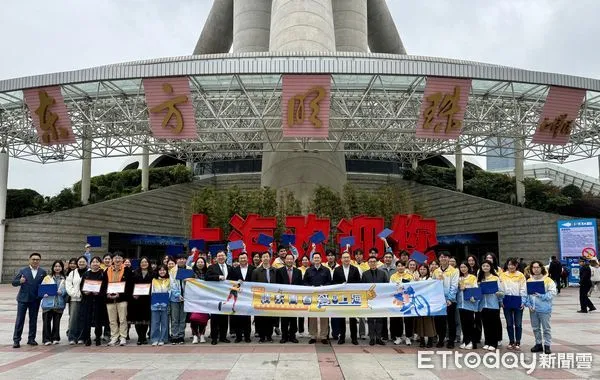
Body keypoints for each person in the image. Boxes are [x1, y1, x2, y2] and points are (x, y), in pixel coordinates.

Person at [12, 252, 47, 348]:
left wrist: (45, 293)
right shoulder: (23, 270)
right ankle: (16, 340)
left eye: (37, 259)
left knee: (33, 320)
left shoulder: (42, 272)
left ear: (40, 261)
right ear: (29, 260)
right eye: (33, 259)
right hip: (23, 299)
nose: (35, 261)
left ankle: (31, 339)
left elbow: (45, 285)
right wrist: (20, 281)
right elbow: (14, 283)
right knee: (20, 320)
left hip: (35, 300)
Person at [525, 260, 557, 354]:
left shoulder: (547, 280)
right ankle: (538, 344)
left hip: (544, 308)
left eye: (537, 267)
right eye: (534, 267)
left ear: (541, 268)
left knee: (546, 328)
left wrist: (541, 295)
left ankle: (547, 345)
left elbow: (552, 293)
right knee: (535, 328)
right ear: (531, 269)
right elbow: (525, 294)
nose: (536, 269)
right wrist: (528, 305)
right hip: (533, 309)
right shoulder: (529, 280)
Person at [102, 252, 133, 346]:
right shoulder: (107, 270)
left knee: (123, 319)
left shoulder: (127, 270)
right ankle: (114, 337)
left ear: (122, 259)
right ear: (112, 260)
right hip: (110, 299)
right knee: (112, 320)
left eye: (119, 258)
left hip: (122, 299)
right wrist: (107, 294)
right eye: (115, 258)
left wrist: (120, 294)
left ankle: (123, 337)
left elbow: (129, 286)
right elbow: (103, 285)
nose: (117, 260)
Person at [331, 251, 361, 345]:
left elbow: (359, 283)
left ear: (350, 259)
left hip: (352, 297)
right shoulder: (337, 270)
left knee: (353, 319)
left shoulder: (355, 269)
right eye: (344, 257)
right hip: (341, 297)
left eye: (348, 257)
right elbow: (334, 283)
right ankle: (342, 337)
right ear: (341, 259)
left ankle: (354, 338)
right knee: (341, 318)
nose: (346, 259)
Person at [304, 251, 332, 344]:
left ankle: (324, 336)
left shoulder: (326, 270)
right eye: (314, 258)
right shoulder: (308, 270)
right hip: (312, 297)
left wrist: (323, 287)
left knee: (324, 316)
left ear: (321, 259)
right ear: (312, 260)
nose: (316, 259)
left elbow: (329, 282)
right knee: (312, 317)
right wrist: (309, 287)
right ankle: (313, 335)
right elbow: (305, 282)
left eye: (318, 258)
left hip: (323, 296)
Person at [205, 250, 233, 345]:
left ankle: (223, 337)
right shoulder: (212, 267)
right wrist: (218, 277)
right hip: (215, 296)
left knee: (225, 318)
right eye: (219, 256)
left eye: (222, 255)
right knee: (215, 318)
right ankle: (214, 337)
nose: (221, 257)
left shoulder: (230, 267)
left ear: (225, 257)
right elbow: (207, 277)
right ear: (216, 258)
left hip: (226, 296)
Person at [432, 252, 459, 348]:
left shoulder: (454, 271)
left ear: (449, 258)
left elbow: (454, 286)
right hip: (439, 301)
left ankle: (451, 340)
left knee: (451, 321)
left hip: (450, 301)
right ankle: (441, 339)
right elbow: (433, 285)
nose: (443, 258)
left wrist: (450, 299)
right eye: (441, 257)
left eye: (445, 257)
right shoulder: (436, 271)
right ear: (439, 259)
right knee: (439, 321)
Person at [276, 253, 303, 343]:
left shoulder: (298, 271)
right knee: (284, 318)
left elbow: (300, 285)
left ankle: (292, 336)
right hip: (283, 299)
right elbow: (277, 285)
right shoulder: (279, 271)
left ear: (293, 260)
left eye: (291, 259)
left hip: (294, 299)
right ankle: (284, 336)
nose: (289, 261)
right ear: (285, 260)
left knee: (293, 319)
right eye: (287, 259)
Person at [500, 257, 526, 350]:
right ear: (507, 265)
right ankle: (511, 341)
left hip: (518, 300)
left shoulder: (520, 275)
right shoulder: (503, 275)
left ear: (516, 265)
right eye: (509, 264)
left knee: (518, 323)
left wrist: (523, 301)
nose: (511, 266)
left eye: (513, 265)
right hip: (506, 300)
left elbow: (523, 288)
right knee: (509, 323)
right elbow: (501, 288)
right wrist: (501, 300)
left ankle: (518, 341)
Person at [251, 251, 277, 343]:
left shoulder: (274, 271)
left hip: (271, 298)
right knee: (260, 318)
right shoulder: (256, 271)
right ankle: (262, 336)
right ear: (261, 259)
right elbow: (253, 285)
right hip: (260, 298)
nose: (265, 258)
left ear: (270, 258)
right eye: (264, 257)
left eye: (267, 256)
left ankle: (269, 336)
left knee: (270, 318)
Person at [477, 260, 503, 351]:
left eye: (487, 266)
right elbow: (477, 292)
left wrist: (498, 294)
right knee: (486, 324)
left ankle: (494, 343)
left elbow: (502, 291)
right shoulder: (480, 278)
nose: (485, 267)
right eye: (483, 266)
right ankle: (487, 342)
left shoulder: (495, 278)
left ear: (490, 267)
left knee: (493, 324)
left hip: (493, 304)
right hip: (483, 305)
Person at [80, 256, 106, 346]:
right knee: (87, 319)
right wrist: (85, 292)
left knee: (98, 319)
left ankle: (98, 337)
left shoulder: (103, 274)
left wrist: (99, 293)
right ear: (90, 264)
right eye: (93, 262)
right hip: (88, 300)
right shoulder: (86, 274)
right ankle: (87, 338)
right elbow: (81, 287)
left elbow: (105, 287)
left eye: (97, 262)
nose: (95, 263)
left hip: (99, 300)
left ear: (100, 264)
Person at [362, 256, 388, 346]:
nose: (372, 263)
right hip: (370, 300)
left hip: (380, 300)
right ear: (368, 263)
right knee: (370, 319)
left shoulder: (383, 273)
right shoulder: (365, 274)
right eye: (370, 262)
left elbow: (387, 287)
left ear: (377, 263)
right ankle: (372, 338)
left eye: (374, 261)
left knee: (380, 319)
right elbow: (363, 288)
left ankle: (379, 338)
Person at [230, 250, 254, 343]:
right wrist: (237, 283)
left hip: (248, 297)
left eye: (244, 258)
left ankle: (247, 336)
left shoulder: (253, 269)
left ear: (247, 259)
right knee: (237, 317)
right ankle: (238, 336)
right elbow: (230, 283)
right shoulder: (234, 270)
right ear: (238, 260)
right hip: (238, 297)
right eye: (241, 258)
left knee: (247, 317)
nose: (243, 259)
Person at [41, 260, 67, 345]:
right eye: (55, 266)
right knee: (46, 322)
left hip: (59, 303)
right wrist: (43, 293)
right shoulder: (47, 278)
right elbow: (42, 288)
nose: (57, 268)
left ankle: (55, 338)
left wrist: (62, 292)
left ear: (62, 268)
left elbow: (67, 290)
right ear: (53, 268)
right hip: (48, 303)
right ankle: (46, 339)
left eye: (59, 266)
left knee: (56, 322)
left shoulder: (65, 279)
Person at [128, 256, 152, 345]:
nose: (144, 264)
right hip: (137, 300)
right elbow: (130, 286)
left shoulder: (153, 273)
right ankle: (139, 337)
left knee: (145, 319)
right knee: (138, 319)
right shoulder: (135, 273)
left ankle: (144, 337)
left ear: (148, 263)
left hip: (147, 299)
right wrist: (133, 294)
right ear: (139, 264)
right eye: (142, 262)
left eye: (145, 262)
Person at [390, 260, 414, 346]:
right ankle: (398, 337)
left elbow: (413, 287)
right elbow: (390, 288)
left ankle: (408, 337)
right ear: (396, 267)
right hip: (397, 300)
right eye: (398, 266)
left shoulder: (409, 276)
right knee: (398, 319)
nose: (400, 267)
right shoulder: (393, 276)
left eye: (402, 266)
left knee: (408, 319)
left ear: (405, 267)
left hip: (407, 300)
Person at [65, 256, 87, 344]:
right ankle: (72, 337)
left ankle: (81, 337)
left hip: (86, 299)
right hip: (74, 299)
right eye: (80, 261)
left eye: (83, 261)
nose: (81, 263)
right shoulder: (73, 273)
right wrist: (75, 294)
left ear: (87, 263)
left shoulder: (89, 272)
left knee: (83, 318)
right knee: (73, 318)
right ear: (77, 263)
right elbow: (68, 285)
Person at [457, 262, 479, 350]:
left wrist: (465, 289)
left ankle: (472, 342)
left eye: (464, 267)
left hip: (469, 304)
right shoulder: (459, 278)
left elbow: (475, 289)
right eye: (461, 267)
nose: (463, 269)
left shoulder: (472, 277)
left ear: (468, 268)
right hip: (460, 304)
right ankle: (465, 341)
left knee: (470, 323)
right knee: (463, 324)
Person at [169, 254, 190, 344]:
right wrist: (178, 294)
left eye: (183, 259)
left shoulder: (189, 269)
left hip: (186, 298)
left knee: (183, 318)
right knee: (174, 318)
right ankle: (174, 335)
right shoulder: (173, 270)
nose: (181, 260)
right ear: (177, 260)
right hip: (175, 298)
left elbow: (192, 282)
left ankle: (181, 335)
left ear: (186, 260)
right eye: (179, 259)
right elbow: (172, 283)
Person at [414, 265, 436, 348]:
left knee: (428, 322)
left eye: (424, 269)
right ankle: (422, 340)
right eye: (421, 269)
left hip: (428, 304)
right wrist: (416, 282)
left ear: (427, 270)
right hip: (418, 303)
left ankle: (430, 340)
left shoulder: (430, 279)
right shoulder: (416, 279)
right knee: (420, 322)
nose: (422, 271)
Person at [151, 265, 171, 346]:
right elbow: (152, 291)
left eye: (164, 270)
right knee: (155, 322)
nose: (162, 272)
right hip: (155, 304)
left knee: (164, 323)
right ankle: (155, 339)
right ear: (157, 271)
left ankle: (163, 339)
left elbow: (170, 291)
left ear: (166, 271)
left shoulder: (169, 280)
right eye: (160, 270)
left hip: (165, 304)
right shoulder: (154, 280)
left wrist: (166, 299)